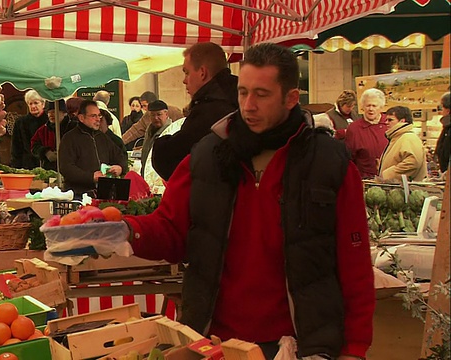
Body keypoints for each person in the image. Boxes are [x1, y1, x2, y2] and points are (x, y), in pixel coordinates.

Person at [122, 43, 374, 360]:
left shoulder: (328, 163)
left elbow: (356, 265)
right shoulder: (207, 156)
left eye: (262, 94)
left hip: (300, 344)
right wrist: (125, 231)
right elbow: (171, 231)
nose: (248, 105)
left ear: (291, 98)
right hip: (216, 341)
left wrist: (354, 348)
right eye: (243, 92)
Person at [151, 42, 239, 181]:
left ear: (202, 72)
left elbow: (171, 160)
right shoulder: (232, 98)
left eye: (187, 72)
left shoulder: (210, 110)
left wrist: (159, 143)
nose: (184, 81)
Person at [59, 100, 128, 197]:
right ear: (81, 118)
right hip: (79, 194)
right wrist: (91, 177)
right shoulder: (69, 139)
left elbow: (120, 157)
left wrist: (120, 168)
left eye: (99, 115)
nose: (98, 119)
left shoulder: (103, 138)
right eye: (93, 116)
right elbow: (66, 168)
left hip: (106, 192)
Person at [344, 88, 389, 179]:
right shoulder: (354, 128)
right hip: (364, 180)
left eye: (374, 106)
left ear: (381, 107)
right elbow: (348, 159)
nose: (371, 109)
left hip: (390, 180)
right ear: (362, 107)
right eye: (368, 105)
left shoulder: (389, 124)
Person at [378, 106, 427, 181]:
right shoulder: (397, 138)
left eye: (390, 120)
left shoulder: (408, 137)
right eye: (386, 120)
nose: (386, 122)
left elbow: (413, 162)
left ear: (402, 121)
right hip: (397, 188)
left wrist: (388, 174)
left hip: (405, 190)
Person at [11, 90, 48, 169]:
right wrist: (16, 168)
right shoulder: (20, 122)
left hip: (48, 164)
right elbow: (16, 148)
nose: (33, 106)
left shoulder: (49, 121)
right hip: (27, 166)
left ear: (43, 104)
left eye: (36, 103)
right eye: (30, 103)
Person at [31, 100, 66, 170]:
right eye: (48, 112)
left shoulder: (73, 127)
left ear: (64, 113)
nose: (50, 115)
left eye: (53, 111)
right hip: (49, 170)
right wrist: (46, 152)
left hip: (70, 170)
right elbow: (34, 146)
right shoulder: (43, 130)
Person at [140, 100, 172, 176]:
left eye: (159, 114)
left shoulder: (171, 132)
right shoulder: (149, 130)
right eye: (152, 115)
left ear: (166, 114)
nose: (156, 118)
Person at [435, 92, 450, 173]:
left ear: (448, 110)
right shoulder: (446, 128)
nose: (441, 111)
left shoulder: (448, 129)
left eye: (442, 107)